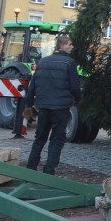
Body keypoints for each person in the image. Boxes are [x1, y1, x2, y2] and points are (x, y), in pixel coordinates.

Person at [23, 35, 81, 175]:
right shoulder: (69, 63)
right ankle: (49, 170)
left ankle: (31, 167)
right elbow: (74, 86)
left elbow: (33, 85)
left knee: (40, 137)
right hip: (61, 107)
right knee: (57, 138)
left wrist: (29, 104)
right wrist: (78, 98)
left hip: (43, 106)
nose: (72, 47)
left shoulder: (43, 61)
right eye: (70, 44)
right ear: (62, 46)